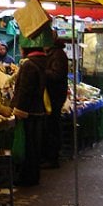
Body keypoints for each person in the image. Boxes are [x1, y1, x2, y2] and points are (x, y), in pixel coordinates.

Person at [11, 42, 49, 186]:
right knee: (35, 146)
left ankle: (25, 178)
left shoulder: (28, 65)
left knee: (27, 146)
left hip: (28, 112)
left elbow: (24, 90)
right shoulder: (43, 62)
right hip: (39, 109)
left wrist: (19, 109)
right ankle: (33, 176)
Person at [42, 35, 69, 169]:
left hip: (54, 95)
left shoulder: (57, 55)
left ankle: (52, 158)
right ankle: (50, 156)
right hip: (55, 95)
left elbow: (57, 75)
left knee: (52, 127)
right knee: (51, 126)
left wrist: (41, 70)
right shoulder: (55, 53)